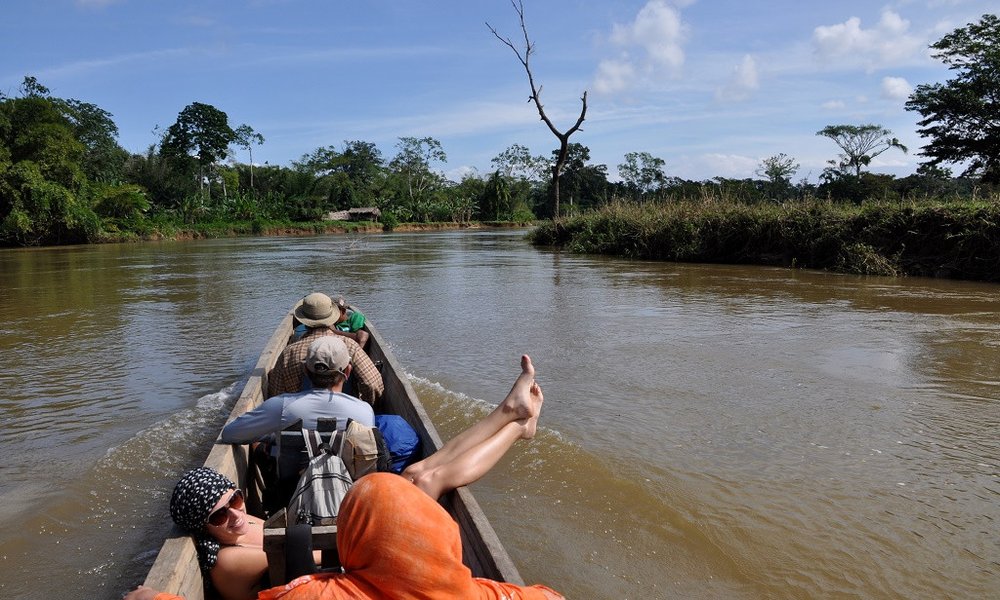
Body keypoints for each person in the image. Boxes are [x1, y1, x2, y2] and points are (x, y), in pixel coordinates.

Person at [126, 355, 561, 600]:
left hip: (334, 542)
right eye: (220, 516)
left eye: (235, 500)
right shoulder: (227, 558)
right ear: (343, 373)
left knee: (420, 474)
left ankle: (513, 417)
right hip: (338, 562)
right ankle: (514, 421)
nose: (236, 515)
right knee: (426, 479)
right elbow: (308, 563)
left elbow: (232, 433)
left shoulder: (283, 407)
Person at [222, 336, 375, 479]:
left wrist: (274, 435)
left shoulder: (282, 406)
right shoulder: (364, 411)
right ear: (347, 371)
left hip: (290, 494)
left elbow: (229, 433)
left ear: (305, 371)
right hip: (347, 499)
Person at [271, 293, 382, 404]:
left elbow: (277, 394)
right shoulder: (350, 345)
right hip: (347, 414)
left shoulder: (289, 352)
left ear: (303, 320)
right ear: (332, 317)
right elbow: (372, 384)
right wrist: (365, 406)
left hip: (300, 416)